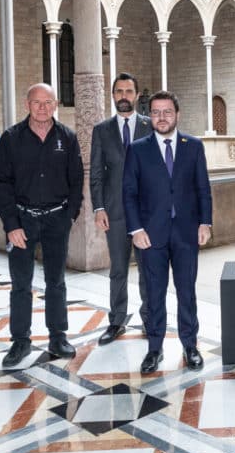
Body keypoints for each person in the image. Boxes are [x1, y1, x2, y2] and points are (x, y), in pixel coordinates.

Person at [123, 91, 213, 374]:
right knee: (154, 293)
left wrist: (205, 223)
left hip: (186, 232)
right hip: (151, 235)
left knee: (187, 291)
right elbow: (129, 193)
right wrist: (136, 229)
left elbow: (203, 189)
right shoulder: (137, 149)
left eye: (167, 112)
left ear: (177, 114)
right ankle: (154, 348)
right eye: (156, 112)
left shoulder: (194, 146)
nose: (161, 117)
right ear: (150, 116)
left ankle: (190, 346)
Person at [0, 83, 83, 366]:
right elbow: (1, 183)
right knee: (21, 284)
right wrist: (11, 224)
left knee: (56, 281)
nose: (42, 107)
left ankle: (58, 336)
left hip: (57, 219)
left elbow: (76, 180)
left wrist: (70, 215)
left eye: (48, 102)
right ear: (27, 104)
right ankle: (20, 342)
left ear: (55, 104)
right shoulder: (11, 138)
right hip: (22, 221)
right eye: (37, 102)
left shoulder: (67, 137)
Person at [90, 72, 153, 345]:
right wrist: (98, 208)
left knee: (148, 269)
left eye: (129, 91)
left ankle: (151, 320)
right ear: (113, 95)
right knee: (118, 269)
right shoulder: (101, 130)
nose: (124, 96)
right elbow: (95, 174)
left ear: (137, 96)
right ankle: (116, 321)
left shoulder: (151, 126)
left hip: (146, 214)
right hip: (114, 213)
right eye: (119, 91)